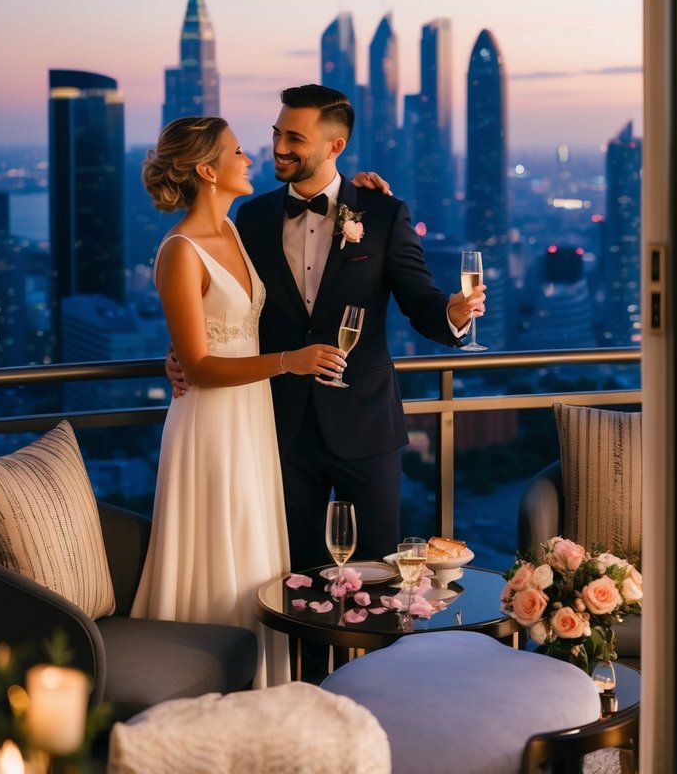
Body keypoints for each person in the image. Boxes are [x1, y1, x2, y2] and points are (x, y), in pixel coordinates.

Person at [167, 85, 485, 576]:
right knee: (294, 583)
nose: (277, 147)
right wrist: (181, 352)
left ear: (334, 146)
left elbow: (421, 304)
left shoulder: (382, 213)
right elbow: (216, 294)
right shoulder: (249, 217)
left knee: (378, 578)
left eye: (294, 137)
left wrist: (456, 313)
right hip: (278, 430)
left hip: (366, 427)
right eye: (276, 132)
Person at [130, 115, 346, 688]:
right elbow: (198, 365)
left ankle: (261, 697)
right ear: (207, 169)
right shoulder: (180, 251)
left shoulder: (233, 233)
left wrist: (364, 185)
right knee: (217, 552)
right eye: (237, 152)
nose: (252, 158)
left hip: (251, 421)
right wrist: (289, 362)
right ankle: (200, 690)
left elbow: (220, 331)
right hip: (210, 426)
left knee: (252, 550)